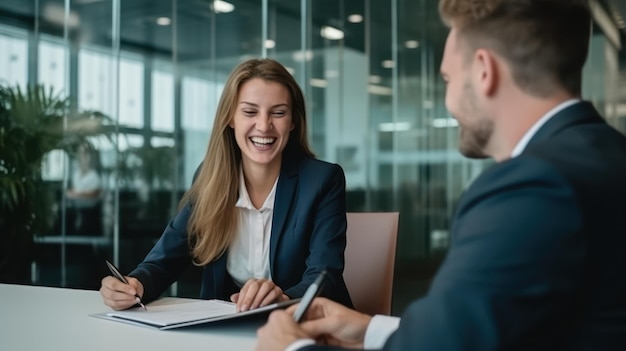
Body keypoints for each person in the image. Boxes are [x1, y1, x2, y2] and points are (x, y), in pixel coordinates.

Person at [255, 0, 626, 350]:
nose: (447, 102)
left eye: (448, 78)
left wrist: (293, 347)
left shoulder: (532, 186)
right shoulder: (608, 155)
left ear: (484, 71)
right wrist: (371, 330)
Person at [99, 58, 352, 312]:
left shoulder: (322, 181)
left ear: (293, 121)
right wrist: (135, 284)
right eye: (250, 111)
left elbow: (325, 276)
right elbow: (166, 258)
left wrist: (283, 298)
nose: (264, 125)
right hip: (229, 329)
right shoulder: (210, 178)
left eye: (278, 112)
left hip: (305, 326)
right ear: (230, 117)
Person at [66, 142, 102, 235]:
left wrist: (76, 194)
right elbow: (70, 193)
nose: (84, 157)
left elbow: (95, 194)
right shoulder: (76, 175)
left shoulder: (94, 176)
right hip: (76, 214)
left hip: (90, 216)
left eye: (86, 154)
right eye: (81, 154)